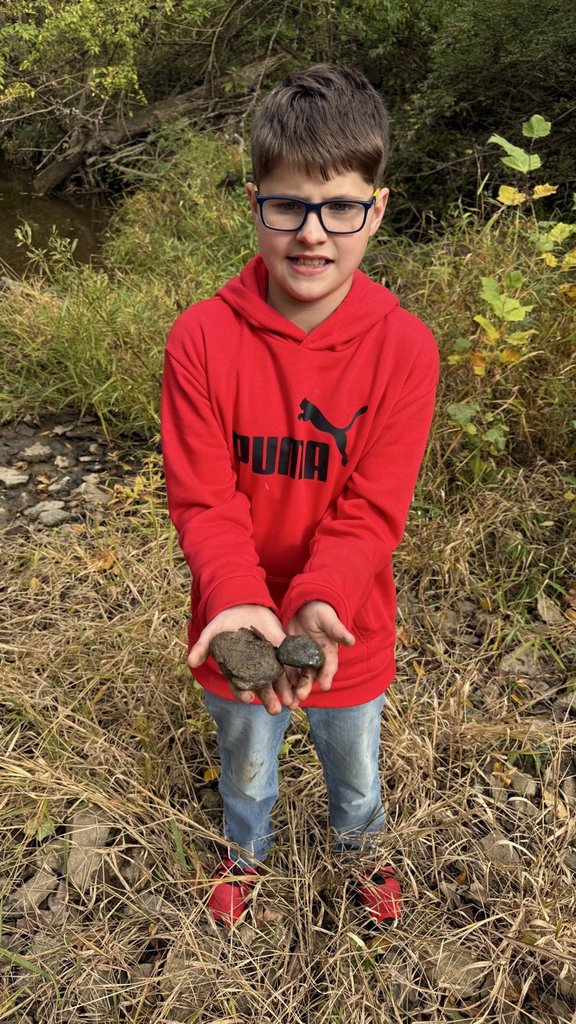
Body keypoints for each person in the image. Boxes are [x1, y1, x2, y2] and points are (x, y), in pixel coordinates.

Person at [161, 64, 439, 928]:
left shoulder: (405, 350)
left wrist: (317, 600)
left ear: (376, 210)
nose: (312, 234)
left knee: (354, 760)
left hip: (345, 625)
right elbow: (206, 501)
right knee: (246, 756)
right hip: (233, 622)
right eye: (287, 206)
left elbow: (372, 510)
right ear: (256, 204)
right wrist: (244, 601)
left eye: (340, 209)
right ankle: (245, 848)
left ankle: (363, 849)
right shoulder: (200, 339)